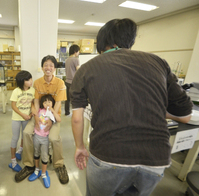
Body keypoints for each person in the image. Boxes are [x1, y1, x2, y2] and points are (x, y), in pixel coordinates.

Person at [70, 18, 193, 196]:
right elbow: (185, 116)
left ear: (102, 42)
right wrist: (155, 110)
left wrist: (80, 147)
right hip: (155, 158)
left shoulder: (87, 69)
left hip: (109, 153)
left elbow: (76, 118)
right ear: (130, 40)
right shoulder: (158, 62)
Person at [15, 55, 69, 184]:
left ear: (54, 68)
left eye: (51, 65)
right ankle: (29, 165)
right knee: (27, 132)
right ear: (42, 67)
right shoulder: (38, 82)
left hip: (53, 116)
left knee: (54, 138)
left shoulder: (60, 83)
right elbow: (36, 102)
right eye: (46, 65)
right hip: (39, 114)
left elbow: (58, 104)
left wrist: (51, 120)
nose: (48, 67)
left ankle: (59, 165)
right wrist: (37, 117)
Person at [28, 94, 61, 188]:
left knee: (44, 156)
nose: (47, 103)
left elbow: (59, 119)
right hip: (36, 136)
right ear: (42, 103)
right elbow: (33, 106)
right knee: (36, 153)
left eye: (49, 102)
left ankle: (43, 173)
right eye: (45, 101)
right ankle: (36, 170)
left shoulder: (52, 114)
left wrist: (53, 110)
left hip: (45, 139)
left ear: (52, 103)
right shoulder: (39, 111)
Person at [9, 70, 35, 172]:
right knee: (15, 137)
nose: (31, 81)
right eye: (28, 80)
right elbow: (13, 106)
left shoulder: (32, 90)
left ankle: (20, 150)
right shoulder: (16, 91)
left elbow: (32, 103)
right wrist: (23, 114)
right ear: (21, 81)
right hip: (17, 118)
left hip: (27, 118)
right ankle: (13, 161)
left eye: (31, 78)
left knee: (25, 135)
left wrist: (31, 113)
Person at [64, 44, 80, 116]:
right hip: (73, 82)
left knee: (67, 98)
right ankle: (75, 113)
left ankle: (67, 112)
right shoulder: (76, 59)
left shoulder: (67, 60)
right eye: (78, 51)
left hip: (67, 81)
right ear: (75, 51)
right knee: (75, 98)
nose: (78, 53)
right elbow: (79, 71)